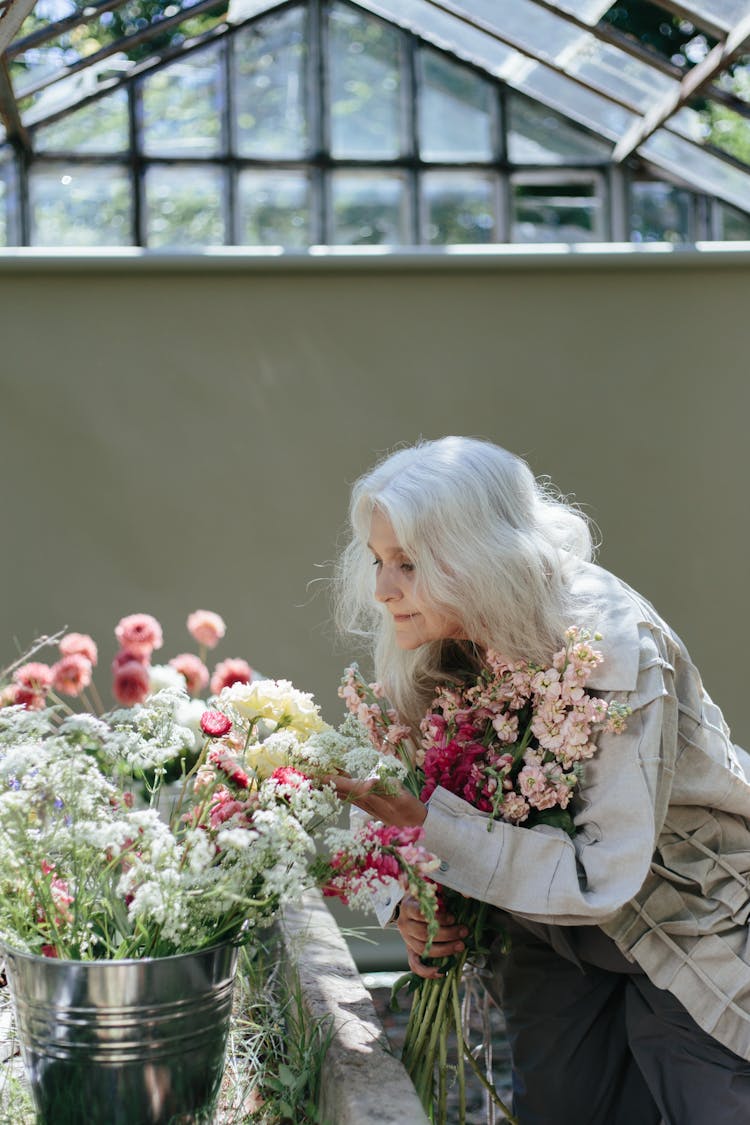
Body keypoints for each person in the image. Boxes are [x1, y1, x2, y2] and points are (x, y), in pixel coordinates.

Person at [333, 435, 750, 1125]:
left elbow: (605, 874)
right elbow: (392, 782)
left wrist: (430, 829)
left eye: (406, 563)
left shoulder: (611, 640)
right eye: (379, 561)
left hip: (689, 919)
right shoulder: (431, 632)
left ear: (470, 554)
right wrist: (406, 901)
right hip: (545, 930)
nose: (382, 589)